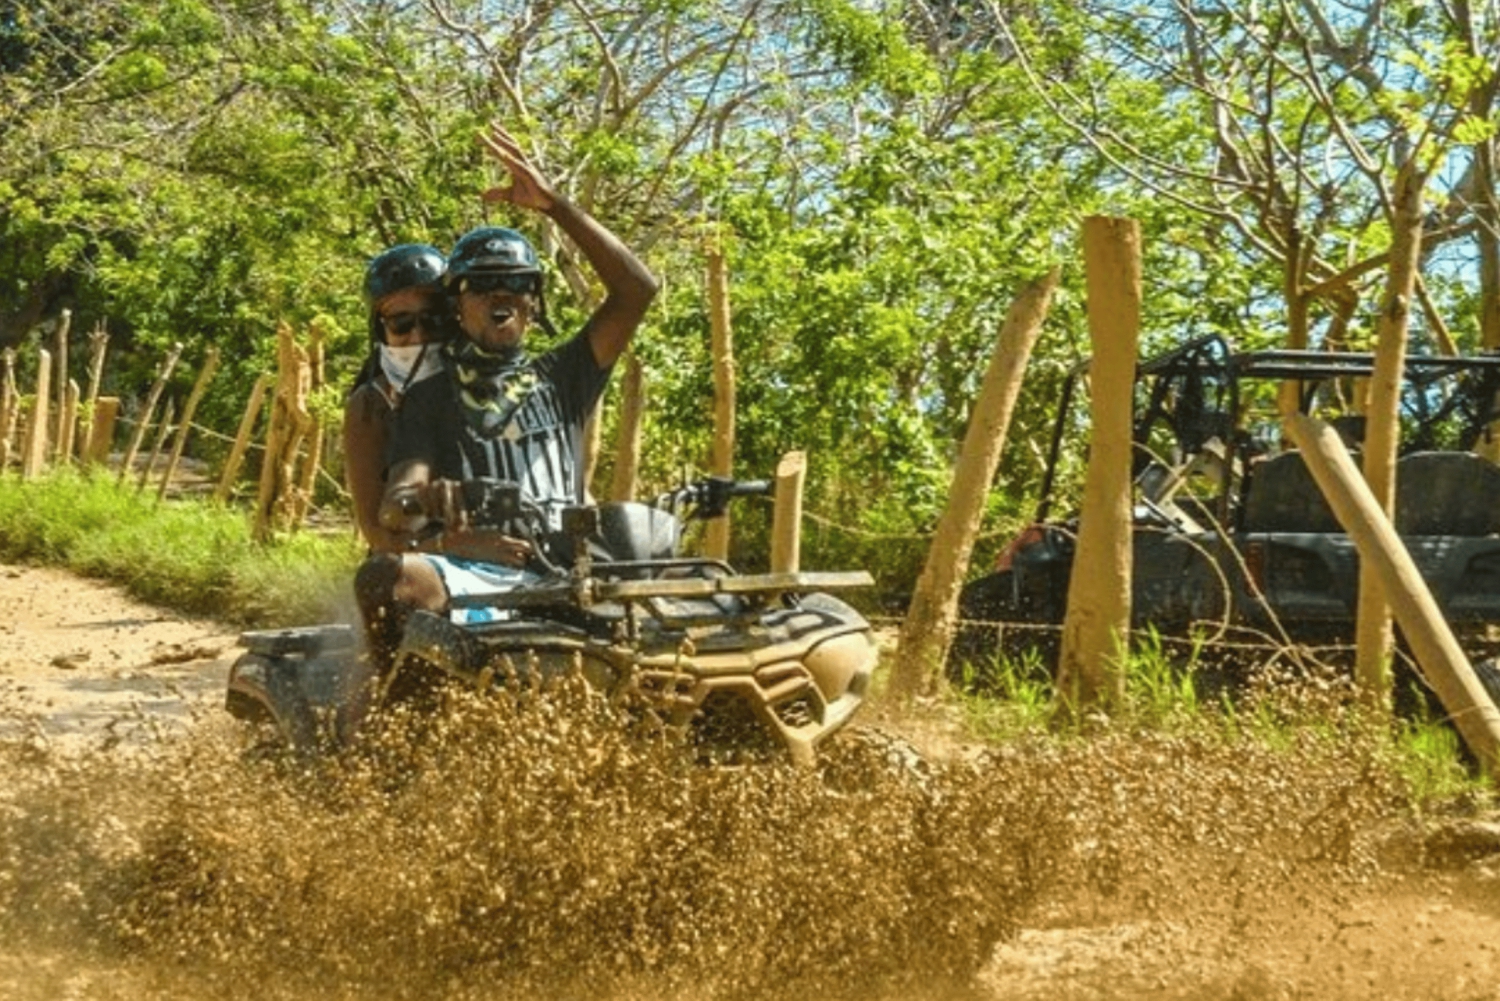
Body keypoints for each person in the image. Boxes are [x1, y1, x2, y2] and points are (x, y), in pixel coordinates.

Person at [348, 121, 658, 715]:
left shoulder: (566, 373)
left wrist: (555, 206)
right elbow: (395, 503)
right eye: (482, 284)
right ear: (458, 303)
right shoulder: (425, 398)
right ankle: (398, 729)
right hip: (470, 569)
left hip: (568, 568)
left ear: (534, 301)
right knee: (386, 578)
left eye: (517, 283)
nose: (501, 294)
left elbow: (637, 289)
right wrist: (437, 507)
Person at [342, 243, 450, 553]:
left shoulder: (490, 386)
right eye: (401, 323)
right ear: (380, 330)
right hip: (413, 563)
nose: (418, 335)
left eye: (432, 318)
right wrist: (453, 547)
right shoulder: (370, 406)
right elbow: (375, 530)